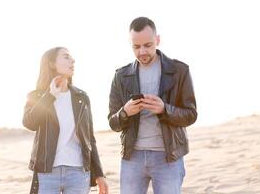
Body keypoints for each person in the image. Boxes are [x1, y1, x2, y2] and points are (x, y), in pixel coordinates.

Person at [108, 17, 197, 194]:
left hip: (168, 158)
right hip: (132, 158)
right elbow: (113, 122)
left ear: (157, 40)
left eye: (148, 45)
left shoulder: (180, 71)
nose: (142, 52)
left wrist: (165, 109)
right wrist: (124, 112)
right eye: (136, 47)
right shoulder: (121, 75)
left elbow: (191, 115)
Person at [23, 47, 108, 194]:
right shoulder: (36, 96)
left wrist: (99, 174)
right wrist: (50, 96)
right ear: (51, 64)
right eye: (66, 57)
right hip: (47, 173)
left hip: (78, 172)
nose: (72, 60)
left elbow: (90, 138)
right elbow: (29, 122)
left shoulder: (81, 97)